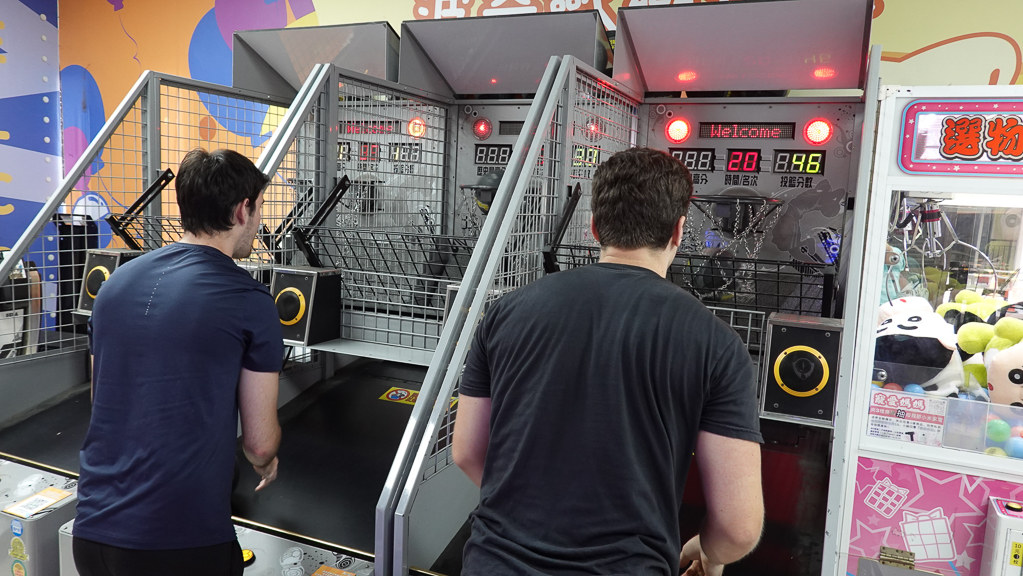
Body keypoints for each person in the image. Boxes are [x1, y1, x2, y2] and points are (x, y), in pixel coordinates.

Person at [453, 147, 765, 576]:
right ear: (678, 230)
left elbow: (467, 452)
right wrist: (708, 551)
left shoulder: (506, 312)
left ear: (595, 226)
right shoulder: (718, 344)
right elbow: (737, 528)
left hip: (494, 563)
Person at [73, 148, 284, 576]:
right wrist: (266, 462)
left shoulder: (114, 284)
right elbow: (259, 443)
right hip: (179, 542)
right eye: (259, 208)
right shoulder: (249, 299)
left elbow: (104, 398)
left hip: (92, 534)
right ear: (241, 210)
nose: (258, 221)